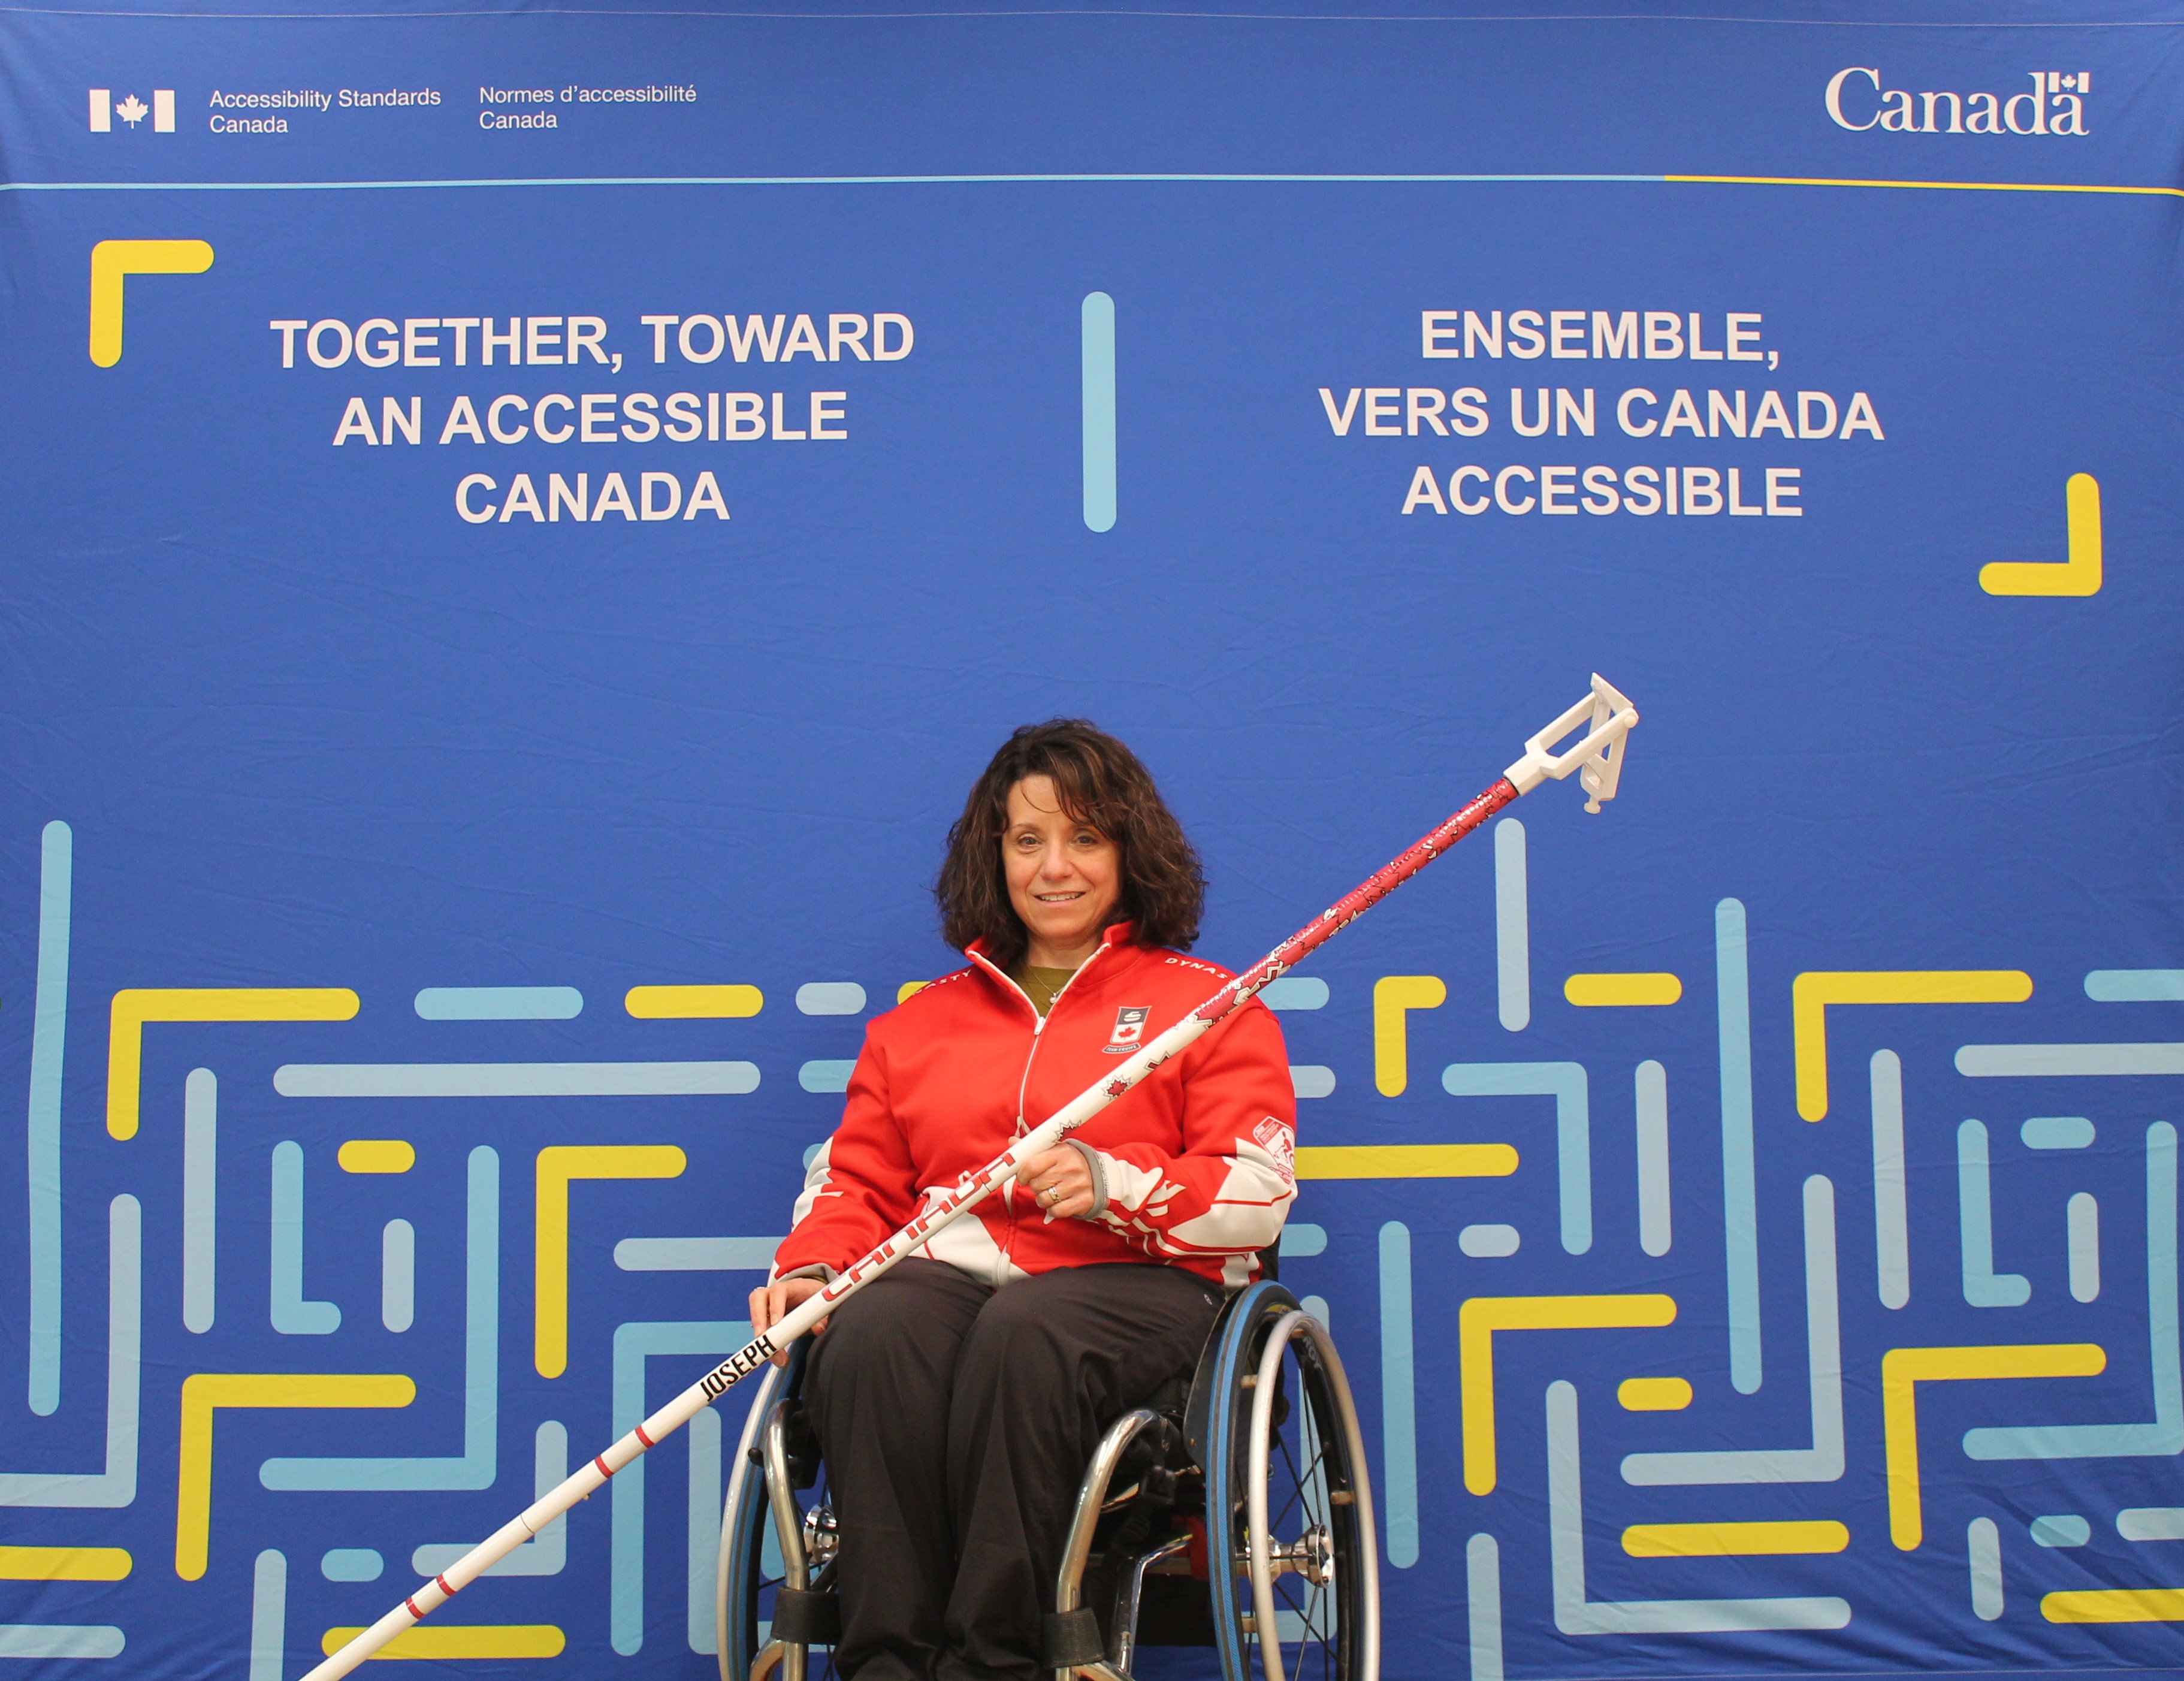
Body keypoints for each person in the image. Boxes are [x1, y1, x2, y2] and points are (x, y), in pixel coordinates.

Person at [749, 719, 1297, 1681]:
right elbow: (854, 1179)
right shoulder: (915, 1026)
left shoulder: (1210, 1005)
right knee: (873, 1330)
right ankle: (882, 1663)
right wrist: (812, 1267)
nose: (1056, 867)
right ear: (992, 853)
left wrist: (1112, 1182)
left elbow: (1256, 1195)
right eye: (1027, 839)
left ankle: (994, 1663)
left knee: (1028, 1329)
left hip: (1138, 1287)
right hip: (955, 1284)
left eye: (1085, 837)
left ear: (1129, 852)